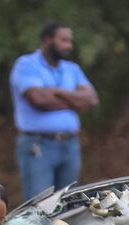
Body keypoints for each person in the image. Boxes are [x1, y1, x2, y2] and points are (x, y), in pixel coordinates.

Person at [9, 21, 99, 201]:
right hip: (39, 145)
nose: (69, 46)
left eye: (70, 41)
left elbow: (91, 100)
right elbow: (39, 100)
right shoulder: (26, 65)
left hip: (69, 144)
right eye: (63, 40)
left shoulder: (72, 68)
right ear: (47, 40)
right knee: (41, 204)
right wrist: (74, 100)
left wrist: (57, 92)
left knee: (68, 201)